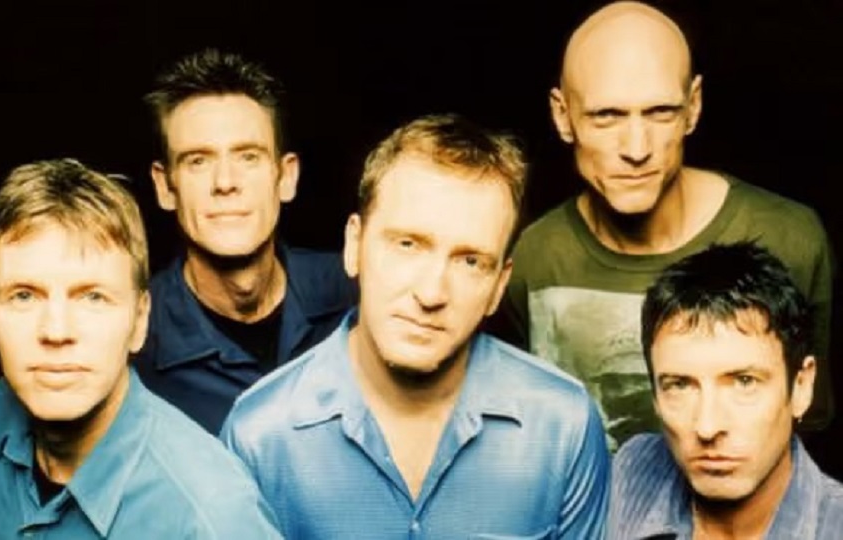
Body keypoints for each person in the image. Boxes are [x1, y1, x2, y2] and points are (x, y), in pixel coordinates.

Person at [221, 114, 610, 539]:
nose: (431, 293)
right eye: (407, 245)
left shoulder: (562, 426)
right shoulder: (260, 435)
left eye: (470, 261)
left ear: (499, 286)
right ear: (354, 246)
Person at [492, 0, 834, 450]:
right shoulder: (532, 257)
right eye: (606, 116)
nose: (637, 148)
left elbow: (810, 436)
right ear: (562, 116)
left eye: (660, 112)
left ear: (693, 106)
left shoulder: (788, 239)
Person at [0, 159, 282, 539]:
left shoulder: (213, 518)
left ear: (140, 320)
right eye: (24, 296)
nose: (56, 331)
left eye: (93, 297)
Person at [136, 48, 358, 434]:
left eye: (248, 157)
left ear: (286, 177)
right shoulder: (133, 339)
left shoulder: (357, 292)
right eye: (198, 161)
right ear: (165, 186)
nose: (225, 182)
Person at [608, 241, 843, 539]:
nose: (707, 427)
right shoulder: (632, 468)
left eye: (744, 381)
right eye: (679, 385)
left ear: (801, 386)